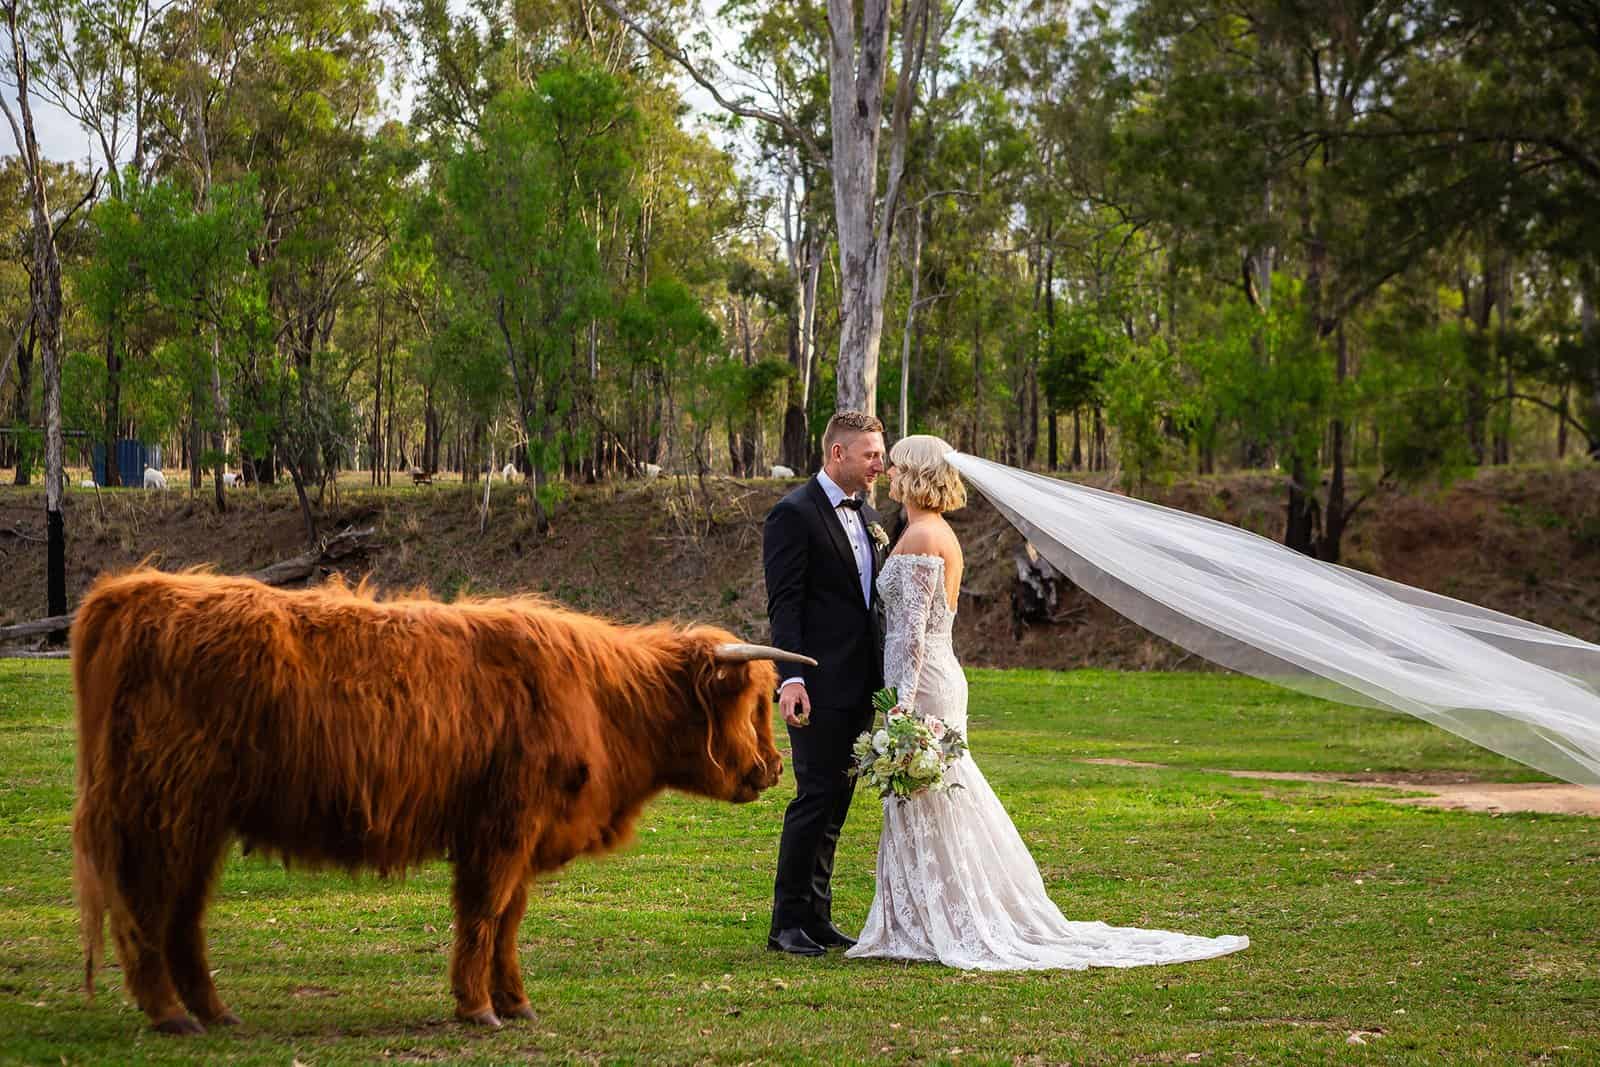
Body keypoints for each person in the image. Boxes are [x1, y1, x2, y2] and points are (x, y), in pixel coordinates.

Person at [847, 434, 1249, 970]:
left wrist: (897, 706)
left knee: (932, 793)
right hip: (934, 677)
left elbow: (912, 636)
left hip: (924, 683)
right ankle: (920, 915)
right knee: (930, 795)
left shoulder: (923, 536)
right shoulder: (930, 530)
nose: (889, 476)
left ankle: (943, 917)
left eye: (896, 467)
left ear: (916, 475)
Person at [762, 411, 891, 956]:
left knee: (837, 805)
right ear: (838, 454)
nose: (879, 464)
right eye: (871, 455)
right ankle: (786, 922)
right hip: (815, 685)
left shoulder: (869, 515)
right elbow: (784, 605)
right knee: (814, 799)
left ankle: (817, 916)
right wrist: (790, 678)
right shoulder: (793, 515)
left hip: (859, 685)